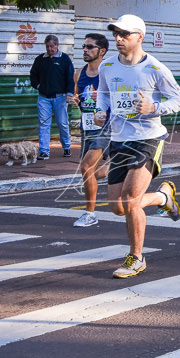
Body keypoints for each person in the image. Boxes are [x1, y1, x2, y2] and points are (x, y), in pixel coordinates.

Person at [93, 14, 180, 278]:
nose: (119, 39)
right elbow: (103, 93)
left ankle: (136, 258)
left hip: (148, 139)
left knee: (131, 200)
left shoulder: (155, 69)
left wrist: (154, 107)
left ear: (140, 37)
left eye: (125, 34)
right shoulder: (108, 65)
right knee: (117, 206)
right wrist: (101, 111)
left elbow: (179, 100)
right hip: (119, 139)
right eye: (116, 34)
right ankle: (163, 197)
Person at [68, 33, 112, 228]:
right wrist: (76, 101)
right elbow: (80, 98)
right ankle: (119, 167)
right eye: (84, 47)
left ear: (101, 51)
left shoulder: (109, 72)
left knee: (86, 167)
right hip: (87, 127)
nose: (84, 50)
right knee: (91, 172)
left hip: (107, 127)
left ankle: (90, 214)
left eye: (89, 47)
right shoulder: (79, 73)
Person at [29, 34, 75, 159]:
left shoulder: (64, 59)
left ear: (57, 46)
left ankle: (66, 147)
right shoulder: (40, 59)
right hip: (44, 97)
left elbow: (70, 77)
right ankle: (44, 151)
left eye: (52, 46)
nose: (49, 49)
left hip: (60, 97)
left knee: (62, 123)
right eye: (47, 46)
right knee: (44, 124)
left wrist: (69, 93)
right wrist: (39, 86)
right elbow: (33, 75)